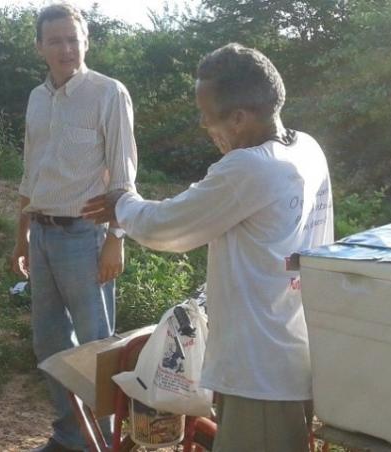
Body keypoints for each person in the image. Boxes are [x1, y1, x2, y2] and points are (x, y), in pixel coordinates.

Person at [82, 43, 334, 451]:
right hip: (292, 354)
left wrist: (121, 204)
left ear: (238, 117)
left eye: (206, 115)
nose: (203, 125)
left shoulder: (249, 167)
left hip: (259, 371)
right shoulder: (306, 148)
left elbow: (170, 227)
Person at [11, 3, 137, 451]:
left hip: (85, 238)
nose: (67, 48)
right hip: (43, 235)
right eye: (56, 40)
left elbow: (123, 179)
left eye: (74, 38)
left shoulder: (108, 93)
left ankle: (106, 441)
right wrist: (22, 234)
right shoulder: (37, 97)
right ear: (40, 47)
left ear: (87, 40)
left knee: (97, 348)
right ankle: (70, 434)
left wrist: (115, 241)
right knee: (49, 343)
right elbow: (31, 173)